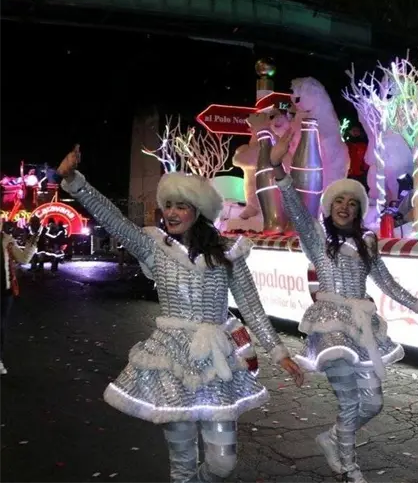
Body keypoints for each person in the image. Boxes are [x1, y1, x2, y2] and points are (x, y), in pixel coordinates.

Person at [56, 145, 304, 483]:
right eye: (168, 205)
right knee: (182, 466)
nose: (171, 213)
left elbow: (252, 307)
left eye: (181, 206)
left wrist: (279, 352)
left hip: (217, 361)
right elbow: (115, 221)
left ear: (198, 211)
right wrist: (76, 182)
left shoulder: (227, 253)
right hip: (170, 361)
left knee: (222, 464)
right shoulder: (155, 248)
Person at [268, 128, 418, 483]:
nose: (345, 207)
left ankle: (334, 437)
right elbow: (296, 212)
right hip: (331, 327)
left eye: (352, 203)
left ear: (358, 210)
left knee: (374, 403)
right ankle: (349, 467)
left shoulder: (367, 244)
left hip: (363, 327)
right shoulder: (317, 240)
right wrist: (278, 171)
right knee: (350, 403)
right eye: (339, 202)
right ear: (330, 207)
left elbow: (386, 282)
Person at [1, 215, 42, 375]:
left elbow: (23, 258)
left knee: (0, 327)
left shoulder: (6, 240)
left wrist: (34, 236)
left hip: (4, 291)